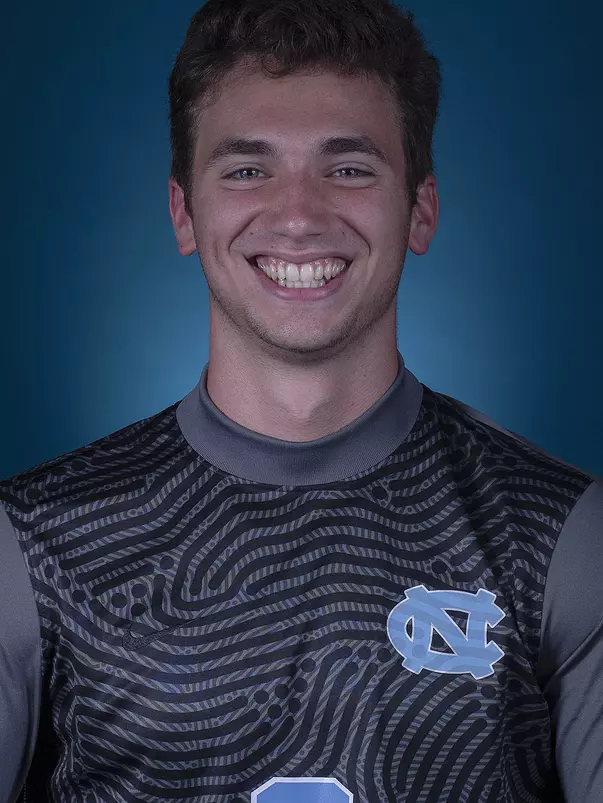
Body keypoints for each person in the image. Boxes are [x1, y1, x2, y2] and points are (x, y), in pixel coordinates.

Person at [1, 0, 602, 800]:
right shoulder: (32, 543)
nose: (296, 216)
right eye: (248, 169)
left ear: (419, 209)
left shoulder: (561, 536)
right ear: (184, 211)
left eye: (347, 168)